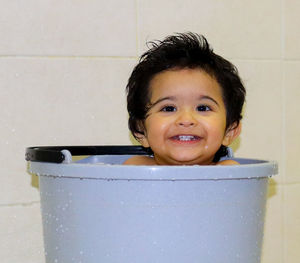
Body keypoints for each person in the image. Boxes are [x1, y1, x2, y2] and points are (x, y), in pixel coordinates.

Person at [124, 32, 245, 165]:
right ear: (141, 130)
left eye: (202, 107)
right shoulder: (134, 171)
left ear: (229, 132)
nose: (186, 120)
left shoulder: (230, 175)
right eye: (169, 108)